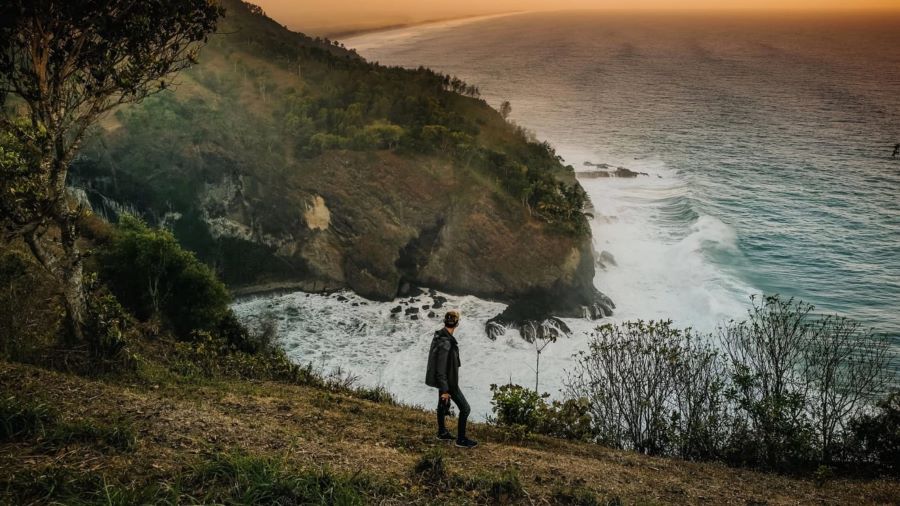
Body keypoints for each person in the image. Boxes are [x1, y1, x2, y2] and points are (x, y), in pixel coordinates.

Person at [425, 310, 477, 448]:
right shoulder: (446, 343)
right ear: (457, 323)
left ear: (445, 322)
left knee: (442, 405)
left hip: (445, 381)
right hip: (448, 383)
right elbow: (441, 369)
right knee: (465, 409)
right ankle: (461, 440)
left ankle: (442, 432)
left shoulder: (440, 336)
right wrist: (445, 390)